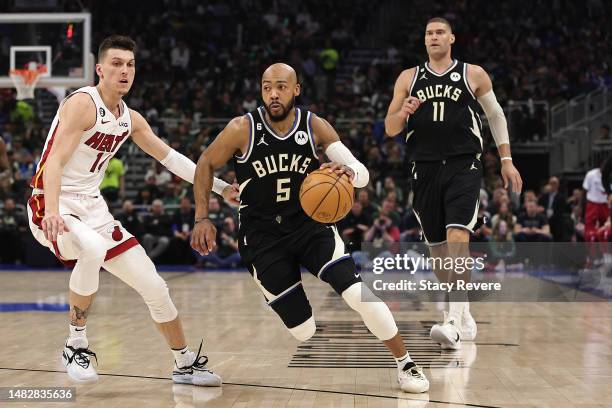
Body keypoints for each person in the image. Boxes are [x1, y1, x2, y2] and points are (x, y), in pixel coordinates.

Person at [191, 63, 429, 393]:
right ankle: (276, 292)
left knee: (360, 295)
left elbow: (361, 174)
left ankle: (406, 364)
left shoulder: (312, 124)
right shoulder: (241, 129)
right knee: (303, 331)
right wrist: (203, 216)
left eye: (281, 87)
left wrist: (345, 169)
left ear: (296, 90)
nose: (273, 94)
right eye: (266, 87)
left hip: (309, 225)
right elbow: (203, 164)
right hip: (262, 236)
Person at [26, 35, 238, 385]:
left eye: (130, 65)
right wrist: (51, 210)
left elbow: (173, 160)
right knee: (92, 249)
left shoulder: (130, 119)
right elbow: (54, 163)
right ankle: (75, 345)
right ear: (100, 69)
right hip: (51, 201)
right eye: (116, 63)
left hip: (93, 209)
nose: (125, 70)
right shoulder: (83, 104)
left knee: (154, 286)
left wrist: (221, 188)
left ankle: (183, 363)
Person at [385, 17, 523, 349]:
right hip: (424, 168)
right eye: (428, 32)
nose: (433, 37)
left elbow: (496, 115)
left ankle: (452, 321)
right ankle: (463, 311)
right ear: (425, 40)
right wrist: (402, 112)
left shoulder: (472, 73)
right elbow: (391, 128)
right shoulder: (408, 77)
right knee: (438, 253)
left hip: (464, 164)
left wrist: (506, 159)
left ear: (451, 38)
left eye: (439, 32)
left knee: (458, 234)